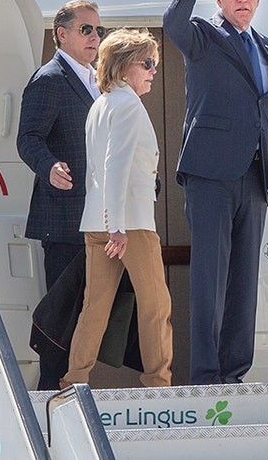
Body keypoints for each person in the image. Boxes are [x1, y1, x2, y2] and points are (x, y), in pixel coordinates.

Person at [163, 0, 268, 385]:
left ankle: (234, 373)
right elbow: (172, 25)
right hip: (210, 174)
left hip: (255, 178)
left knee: (244, 280)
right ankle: (206, 375)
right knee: (209, 279)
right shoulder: (203, 34)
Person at [61, 29, 173, 388]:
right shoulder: (127, 106)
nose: (154, 70)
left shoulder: (101, 103)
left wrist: (108, 224)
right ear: (126, 68)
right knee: (156, 306)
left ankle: (73, 382)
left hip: (97, 221)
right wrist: (118, 227)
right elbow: (116, 165)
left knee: (94, 308)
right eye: (148, 63)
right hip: (129, 224)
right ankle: (159, 385)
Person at [17, 0, 105, 390]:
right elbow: (28, 139)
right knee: (61, 320)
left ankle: (71, 391)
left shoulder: (97, 79)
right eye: (86, 29)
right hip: (64, 221)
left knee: (87, 317)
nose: (95, 37)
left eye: (98, 30)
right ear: (62, 35)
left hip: (95, 219)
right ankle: (50, 398)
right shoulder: (50, 79)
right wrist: (49, 165)